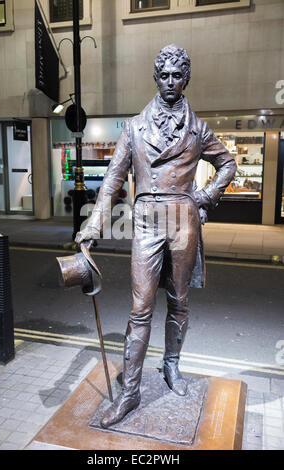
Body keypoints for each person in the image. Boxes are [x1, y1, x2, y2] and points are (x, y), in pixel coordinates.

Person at [75, 44, 237, 428]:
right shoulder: (134, 126)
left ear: (186, 79)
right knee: (140, 307)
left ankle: (171, 367)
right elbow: (114, 178)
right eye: (163, 75)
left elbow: (228, 163)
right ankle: (130, 393)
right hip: (147, 222)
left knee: (178, 301)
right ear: (155, 77)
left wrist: (204, 196)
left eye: (176, 75)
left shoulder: (197, 127)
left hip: (183, 221)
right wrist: (94, 224)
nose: (169, 82)